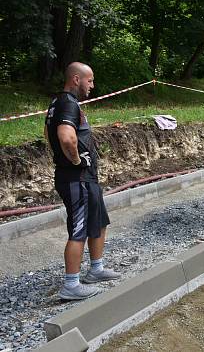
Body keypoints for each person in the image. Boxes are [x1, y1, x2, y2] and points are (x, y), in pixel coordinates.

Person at [44, 62, 121, 300]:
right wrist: (76, 160)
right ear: (76, 79)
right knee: (78, 230)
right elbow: (66, 138)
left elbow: (46, 133)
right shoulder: (67, 103)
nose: (92, 86)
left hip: (87, 179)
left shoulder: (59, 102)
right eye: (90, 80)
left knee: (99, 221)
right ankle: (71, 285)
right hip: (77, 179)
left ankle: (96, 269)